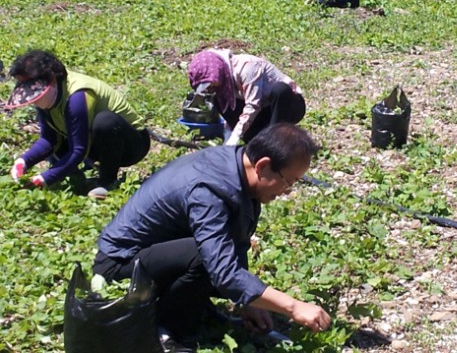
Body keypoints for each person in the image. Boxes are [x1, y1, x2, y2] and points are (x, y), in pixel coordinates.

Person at [93, 123, 332, 353]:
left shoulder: (238, 168)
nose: (286, 191)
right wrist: (293, 306)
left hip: (155, 255)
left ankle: (190, 306)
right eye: (288, 181)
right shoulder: (209, 189)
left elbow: (234, 243)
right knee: (204, 259)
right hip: (119, 265)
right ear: (262, 165)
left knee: (208, 256)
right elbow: (222, 269)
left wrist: (248, 301)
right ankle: (168, 331)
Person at [7, 50, 150, 197]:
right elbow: (49, 140)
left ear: (52, 80)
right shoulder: (49, 98)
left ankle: (108, 182)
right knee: (60, 145)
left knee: (105, 122)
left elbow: (78, 150)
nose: (34, 101)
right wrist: (24, 161)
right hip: (92, 142)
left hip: (131, 145)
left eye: (36, 94)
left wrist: (45, 178)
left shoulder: (78, 95)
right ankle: (76, 176)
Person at [187, 49, 305, 146]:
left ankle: (274, 139)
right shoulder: (223, 83)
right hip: (263, 112)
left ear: (217, 72)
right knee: (217, 99)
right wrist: (228, 134)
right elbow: (230, 108)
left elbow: (253, 105)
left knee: (280, 90)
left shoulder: (247, 67)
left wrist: (235, 136)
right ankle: (260, 140)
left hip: (286, 107)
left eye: (210, 84)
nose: (209, 89)